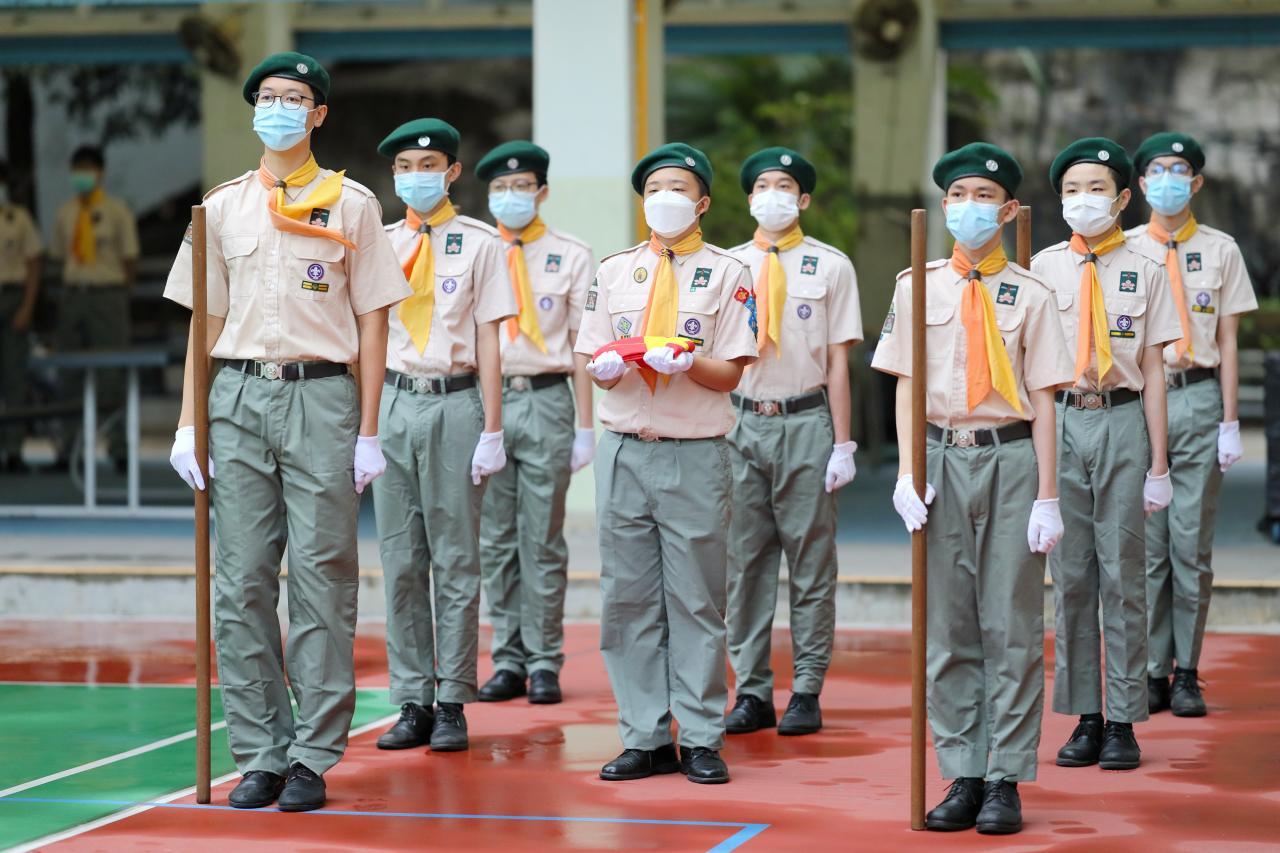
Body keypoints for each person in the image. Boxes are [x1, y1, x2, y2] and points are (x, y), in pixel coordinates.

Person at [164, 52, 409, 812]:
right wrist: (188, 422)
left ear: (318, 114)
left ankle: (312, 753)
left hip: (322, 395)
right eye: (268, 97)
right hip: (236, 396)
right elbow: (204, 322)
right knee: (240, 581)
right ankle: (261, 752)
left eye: (295, 97)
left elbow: (374, 323)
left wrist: (370, 428)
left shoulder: (353, 205)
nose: (279, 108)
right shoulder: (219, 207)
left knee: (322, 575)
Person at [873, 143, 1073, 834]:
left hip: (1008, 457)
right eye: (957, 196)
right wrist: (907, 471)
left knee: (1010, 624)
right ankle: (962, 768)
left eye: (984, 197)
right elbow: (905, 385)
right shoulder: (915, 285)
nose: (969, 208)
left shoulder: (1033, 294)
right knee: (948, 625)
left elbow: (1044, 401)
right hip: (939, 457)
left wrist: (1048, 494)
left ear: (1009, 210)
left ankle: (1005, 775)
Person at [574, 143, 757, 785]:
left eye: (678, 188)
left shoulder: (730, 273)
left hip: (694, 452)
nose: (665, 199)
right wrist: (603, 370)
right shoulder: (614, 271)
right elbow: (595, 359)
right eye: (654, 189)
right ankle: (645, 734)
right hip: (624, 449)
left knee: (696, 599)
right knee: (627, 600)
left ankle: (701, 736)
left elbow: (730, 372)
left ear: (702, 202)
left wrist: (689, 363)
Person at [1030, 137, 1182, 772]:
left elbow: (1154, 371)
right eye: (1071, 190)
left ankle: (1122, 719)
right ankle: (1085, 716)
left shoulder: (1146, 270)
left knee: (1123, 574)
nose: (1082, 200)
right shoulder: (1040, 268)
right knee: (1071, 576)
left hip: (1120, 419)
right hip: (1061, 419)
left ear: (1122, 199)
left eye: (1095, 189)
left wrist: (1159, 465)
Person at [371, 119, 515, 754]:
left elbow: (489, 338)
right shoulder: (380, 244)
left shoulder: (481, 243)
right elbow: (370, 335)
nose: (416, 177)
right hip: (395, 400)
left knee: (455, 558)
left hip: (455, 402)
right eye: (405, 167)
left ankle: (453, 697)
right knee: (401, 559)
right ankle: (413, 697)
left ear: (452, 173)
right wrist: (365, 427)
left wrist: (493, 427)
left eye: (428, 167)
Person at [722, 147, 861, 737]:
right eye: (761, 186)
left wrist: (843, 443)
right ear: (748, 198)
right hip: (739, 421)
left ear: (803, 199)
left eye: (783, 186)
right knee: (743, 563)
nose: (771, 195)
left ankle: (806, 687)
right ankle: (751, 690)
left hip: (805, 422)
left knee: (810, 562)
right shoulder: (725, 265)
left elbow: (838, 363)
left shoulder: (831, 266)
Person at [1126, 132, 1259, 718]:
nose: (1168, 180)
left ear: (1196, 182)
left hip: (1199, 397)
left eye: (1178, 170)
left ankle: (1187, 671)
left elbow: (1228, 342)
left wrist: (1230, 420)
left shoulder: (1221, 249)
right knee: (1148, 548)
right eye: (1156, 170)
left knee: (1191, 546)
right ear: (1141, 185)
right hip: (1142, 403)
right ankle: (1153, 670)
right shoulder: (1125, 250)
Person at [472, 141, 595, 706]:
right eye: (500, 188)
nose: (510, 196)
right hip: (486, 402)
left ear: (541, 192)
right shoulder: (475, 251)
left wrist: (586, 426)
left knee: (542, 538)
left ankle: (545, 660)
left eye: (521, 186)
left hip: (546, 400)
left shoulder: (571, 255)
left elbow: (581, 347)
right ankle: (508, 658)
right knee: (496, 539)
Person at [53, 144, 139, 467]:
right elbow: (59, 256)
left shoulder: (117, 211)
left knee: (112, 373)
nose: (82, 176)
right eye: (78, 170)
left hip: (107, 295)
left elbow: (130, 259)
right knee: (69, 374)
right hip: (74, 294)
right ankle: (68, 448)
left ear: (100, 173)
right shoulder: (65, 213)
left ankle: (118, 447)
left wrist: (119, 294)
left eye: (88, 169)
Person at [0, 161, 43, 471]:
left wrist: (27, 306)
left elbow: (33, 263)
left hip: (12, 296)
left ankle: (13, 448)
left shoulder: (18, 218)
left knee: (14, 376)